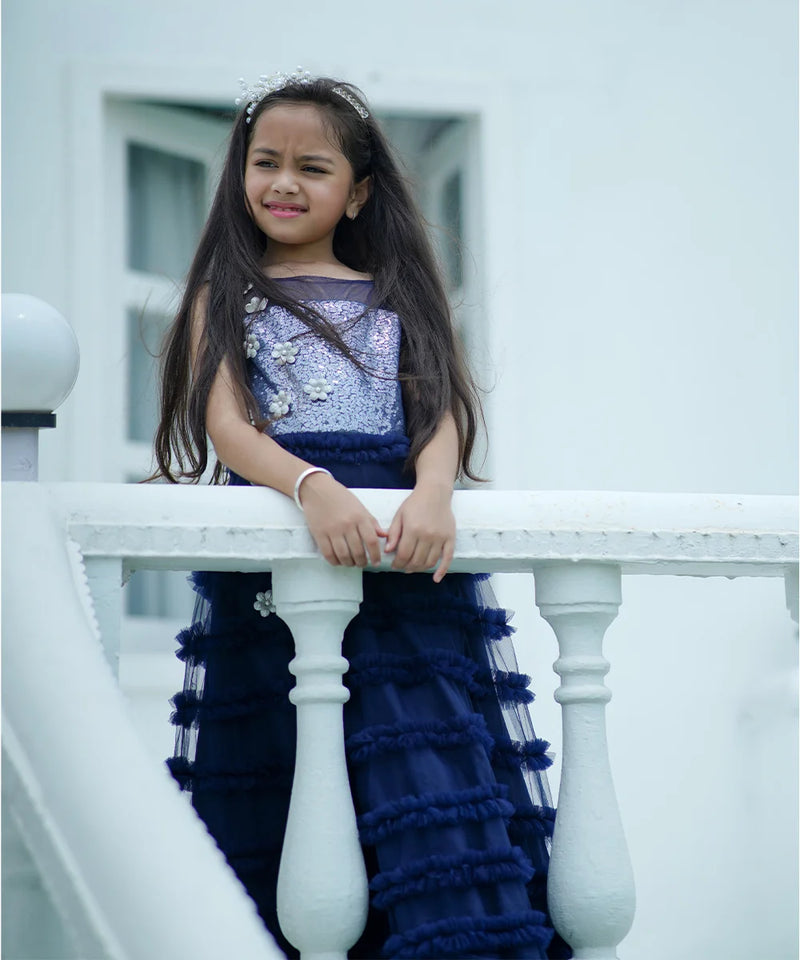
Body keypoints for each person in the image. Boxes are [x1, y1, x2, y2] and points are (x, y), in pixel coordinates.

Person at [153, 69, 570, 960]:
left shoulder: (397, 295)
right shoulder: (223, 296)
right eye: (266, 162)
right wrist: (311, 487)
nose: (284, 183)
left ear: (358, 192)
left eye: (312, 168)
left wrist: (434, 493)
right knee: (292, 760)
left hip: (399, 550)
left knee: (424, 756)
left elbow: (438, 415)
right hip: (292, 543)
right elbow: (228, 428)